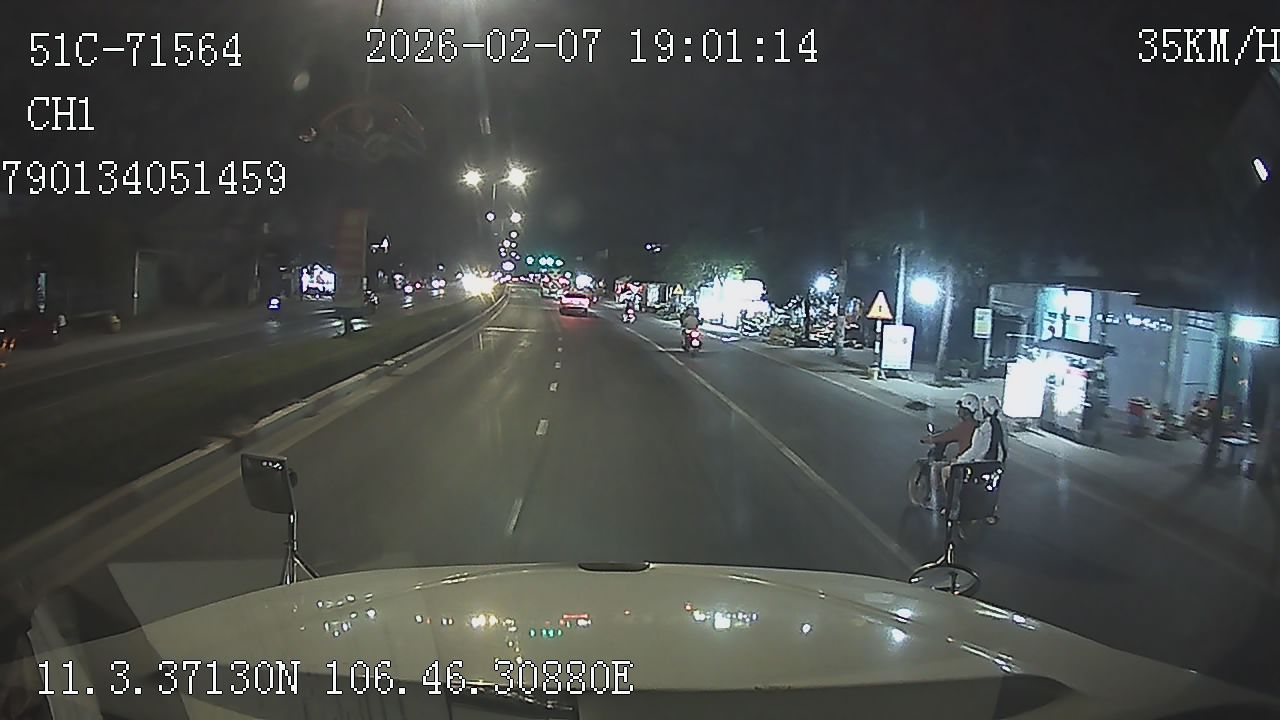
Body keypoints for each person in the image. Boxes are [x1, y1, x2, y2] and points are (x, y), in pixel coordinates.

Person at [919, 393, 982, 509]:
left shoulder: (964, 427)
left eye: (961, 408)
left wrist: (928, 439)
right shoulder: (977, 425)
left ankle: (936, 502)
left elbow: (947, 436)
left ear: (966, 411)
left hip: (963, 462)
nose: (958, 410)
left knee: (935, 468)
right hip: (976, 463)